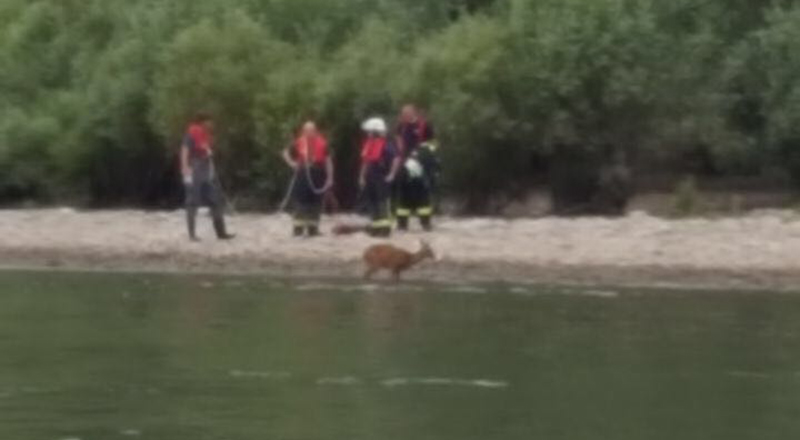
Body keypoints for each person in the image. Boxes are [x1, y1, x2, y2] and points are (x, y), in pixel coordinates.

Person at [180, 113, 235, 241]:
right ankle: (192, 235)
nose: (212, 125)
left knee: (215, 200)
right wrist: (185, 167)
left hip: (206, 169)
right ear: (203, 122)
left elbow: (207, 152)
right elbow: (184, 150)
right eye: (210, 122)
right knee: (192, 202)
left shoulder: (205, 135)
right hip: (194, 168)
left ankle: (221, 233)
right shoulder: (191, 133)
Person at [282, 121, 334, 237]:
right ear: (303, 131)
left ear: (315, 131)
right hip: (303, 172)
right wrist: (292, 163)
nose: (309, 133)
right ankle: (298, 228)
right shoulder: (299, 142)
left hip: (318, 172)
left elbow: (328, 161)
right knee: (301, 200)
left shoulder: (322, 143)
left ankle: (313, 228)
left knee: (316, 201)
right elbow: (285, 152)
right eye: (306, 130)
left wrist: (330, 177)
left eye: (311, 130)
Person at [395, 104, 440, 231]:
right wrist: (402, 156)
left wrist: (422, 154)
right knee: (403, 193)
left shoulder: (424, 125)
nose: (403, 116)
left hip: (420, 164)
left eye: (406, 114)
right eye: (402, 114)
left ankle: (425, 223)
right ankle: (402, 224)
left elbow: (434, 143)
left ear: (414, 113)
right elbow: (398, 140)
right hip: (405, 164)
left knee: (422, 193)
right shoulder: (401, 126)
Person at [359, 117, 401, 237]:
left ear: (375, 132)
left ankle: (385, 229)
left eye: (370, 131)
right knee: (372, 203)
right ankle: (376, 228)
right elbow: (366, 162)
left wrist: (391, 174)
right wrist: (361, 177)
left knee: (382, 203)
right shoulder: (369, 144)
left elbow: (396, 159)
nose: (368, 134)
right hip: (370, 177)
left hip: (381, 177)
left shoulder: (386, 145)